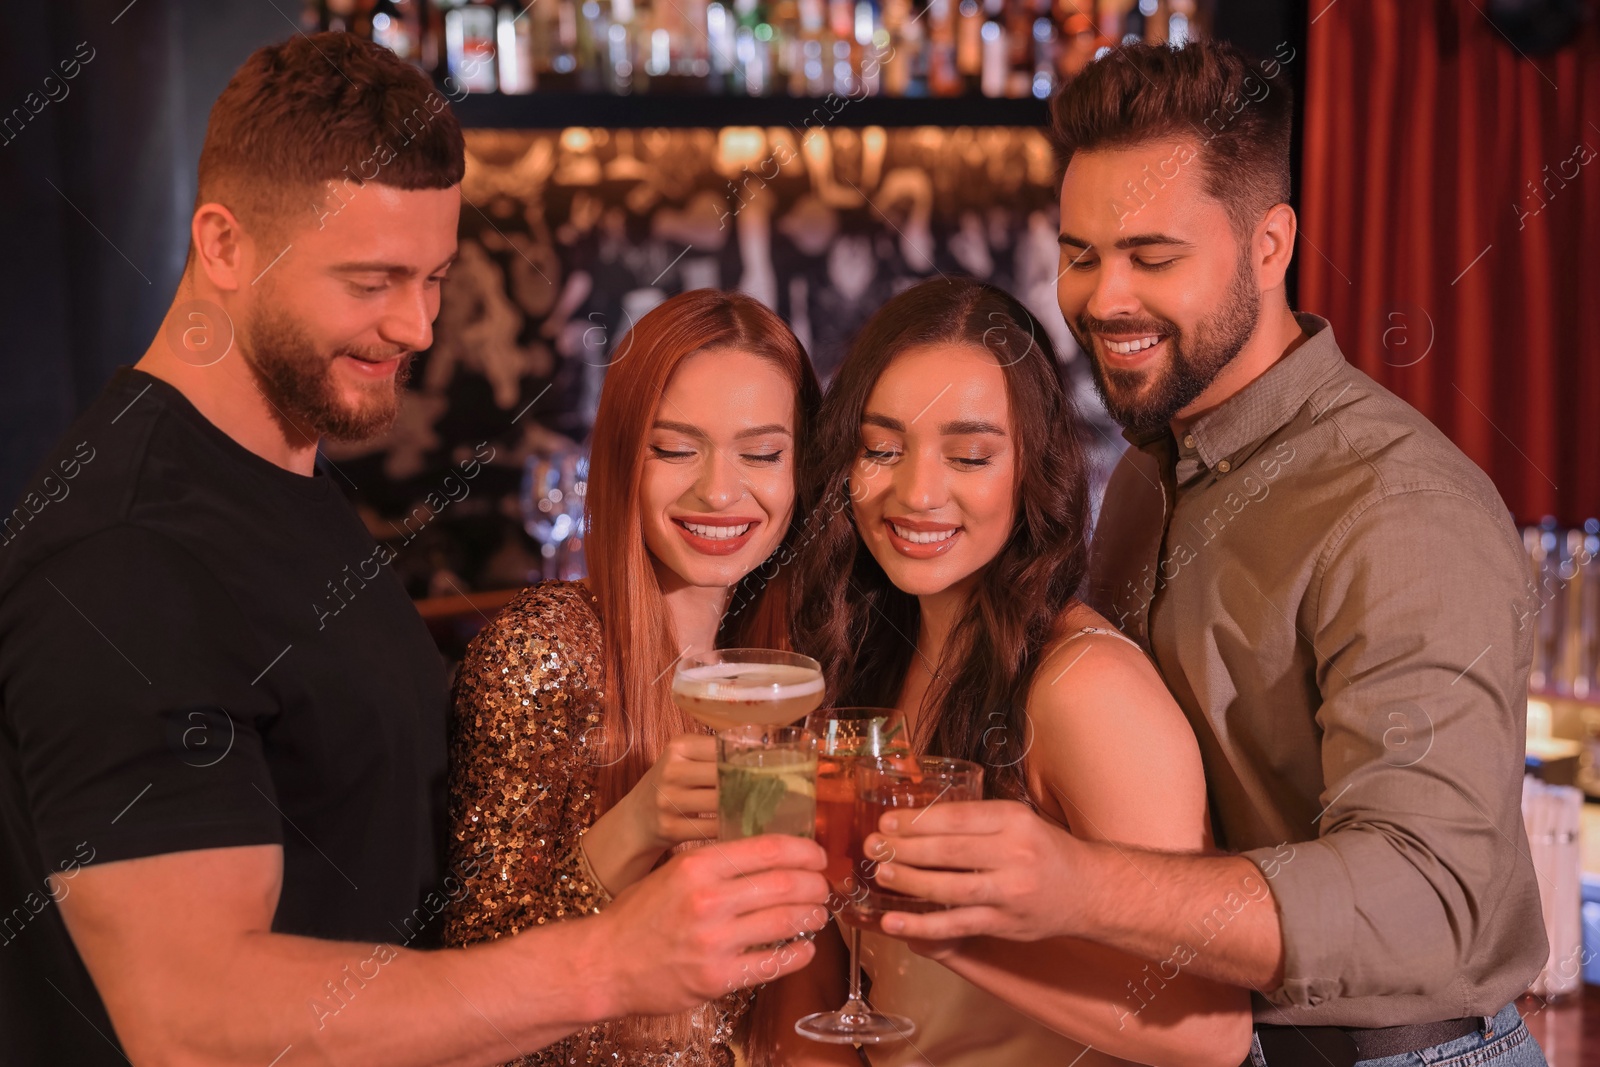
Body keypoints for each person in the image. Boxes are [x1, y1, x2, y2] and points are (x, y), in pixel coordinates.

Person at [0, 34, 826, 1066]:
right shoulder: (130, 552)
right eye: (373, 280)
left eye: (435, 275)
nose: (419, 324)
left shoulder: (280, 470)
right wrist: (611, 961)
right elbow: (193, 1018)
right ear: (222, 244)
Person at [865, 40, 1549, 1067]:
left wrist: (1073, 883)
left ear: (1270, 244)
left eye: (1152, 255)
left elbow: (1429, 896)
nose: (1103, 298)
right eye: (1083, 252)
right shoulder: (1151, 467)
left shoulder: (1401, 506)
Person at [783, 276, 1251, 1066]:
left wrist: (936, 926)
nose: (917, 491)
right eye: (882, 448)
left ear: (1032, 466)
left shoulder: (1082, 689)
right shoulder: (875, 658)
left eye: (968, 454)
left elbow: (1209, 1027)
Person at [441, 287, 841, 1067]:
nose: (720, 491)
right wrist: (637, 823)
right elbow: (473, 999)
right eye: (677, 447)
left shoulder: (791, 676)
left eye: (761, 452)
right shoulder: (542, 651)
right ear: (625, 453)